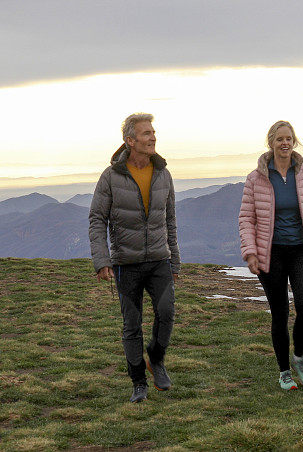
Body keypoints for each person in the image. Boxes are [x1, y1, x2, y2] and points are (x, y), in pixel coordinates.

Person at [89, 113, 180, 403]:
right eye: (145, 133)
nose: (152, 137)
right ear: (130, 140)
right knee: (132, 324)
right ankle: (138, 382)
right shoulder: (111, 176)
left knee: (166, 312)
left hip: (158, 259)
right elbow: (96, 219)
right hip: (125, 263)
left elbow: (170, 221)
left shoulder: (163, 174)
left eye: (153, 132)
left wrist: (174, 260)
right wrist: (102, 260)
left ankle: (156, 359)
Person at [239, 120, 303, 390]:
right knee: (279, 312)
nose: (285, 143)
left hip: (301, 249)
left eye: (289, 138)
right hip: (272, 253)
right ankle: (284, 372)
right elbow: (246, 219)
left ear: (295, 142)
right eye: (280, 138)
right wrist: (250, 253)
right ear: (271, 142)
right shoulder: (256, 178)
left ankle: (299, 358)